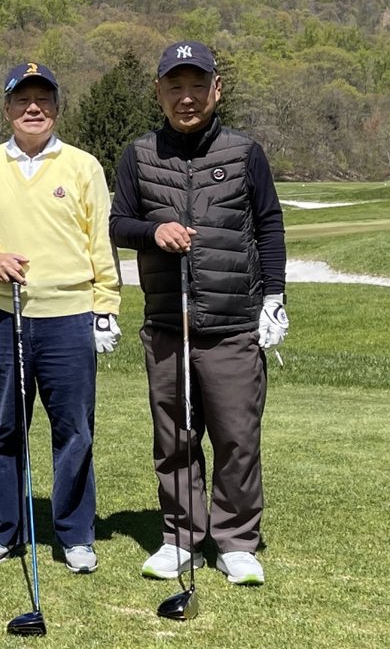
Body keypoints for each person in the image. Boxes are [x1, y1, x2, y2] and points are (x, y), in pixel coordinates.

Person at [109, 40, 288, 587]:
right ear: (159, 92)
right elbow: (118, 224)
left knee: (237, 437)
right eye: (175, 86)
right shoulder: (139, 155)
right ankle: (181, 537)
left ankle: (236, 541)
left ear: (217, 89)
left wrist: (274, 297)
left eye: (196, 85)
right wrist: (153, 231)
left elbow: (269, 224)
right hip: (169, 324)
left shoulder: (245, 153)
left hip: (232, 323)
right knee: (175, 439)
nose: (186, 97)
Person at [0, 62, 121, 574]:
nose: (33, 108)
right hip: (3, 316)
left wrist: (106, 306)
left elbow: (101, 242)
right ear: (6, 108)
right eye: (22, 100)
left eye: (43, 100)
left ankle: (75, 534)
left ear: (56, 108)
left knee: (74, 432)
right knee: (6, 428)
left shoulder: (83, 166)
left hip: (69, 318)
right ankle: (2, 531)